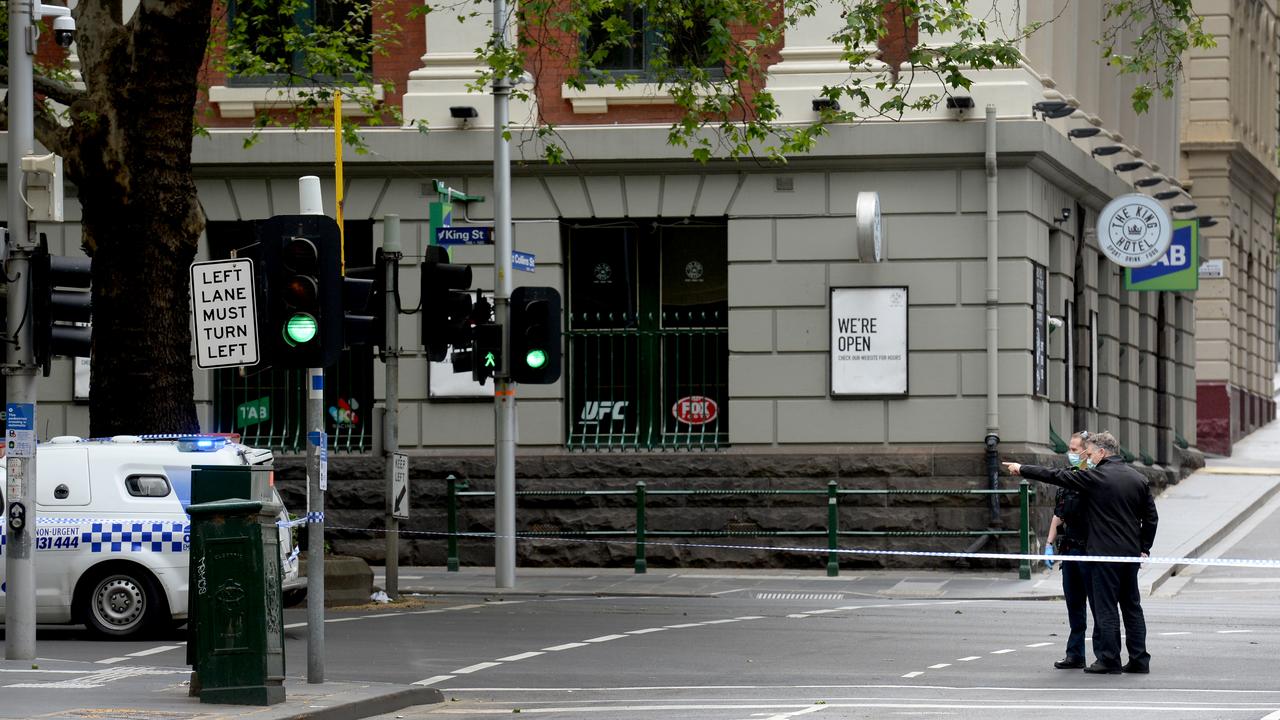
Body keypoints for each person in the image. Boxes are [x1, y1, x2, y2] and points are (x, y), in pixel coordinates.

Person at [1004, 431, 1158, 675]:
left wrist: (1022, 468)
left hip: (1102, 554)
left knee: (1106, 607)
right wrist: (1143, 548)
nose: (1089, 457)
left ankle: (1109, 659)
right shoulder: (1138, 479)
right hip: (1129, 554)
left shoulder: (1096, 477)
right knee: (1131, 606)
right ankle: (1139, 659)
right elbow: (1151, 518)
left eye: (1091, 453)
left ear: (1102, 452)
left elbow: (1056, 476)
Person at [1046, 431, 1091, 670]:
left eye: (1074, 450)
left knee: (1097, 605)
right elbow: (1059, 513)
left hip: (1089, 550)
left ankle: (1105, 655)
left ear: (1086, 451)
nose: (1070, 454)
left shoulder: (1093, 478)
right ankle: (1075, 654)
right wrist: (1048, 543)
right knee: (1074, 604)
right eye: (1070, 449)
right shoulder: (1067, 479)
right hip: (1070, 549)